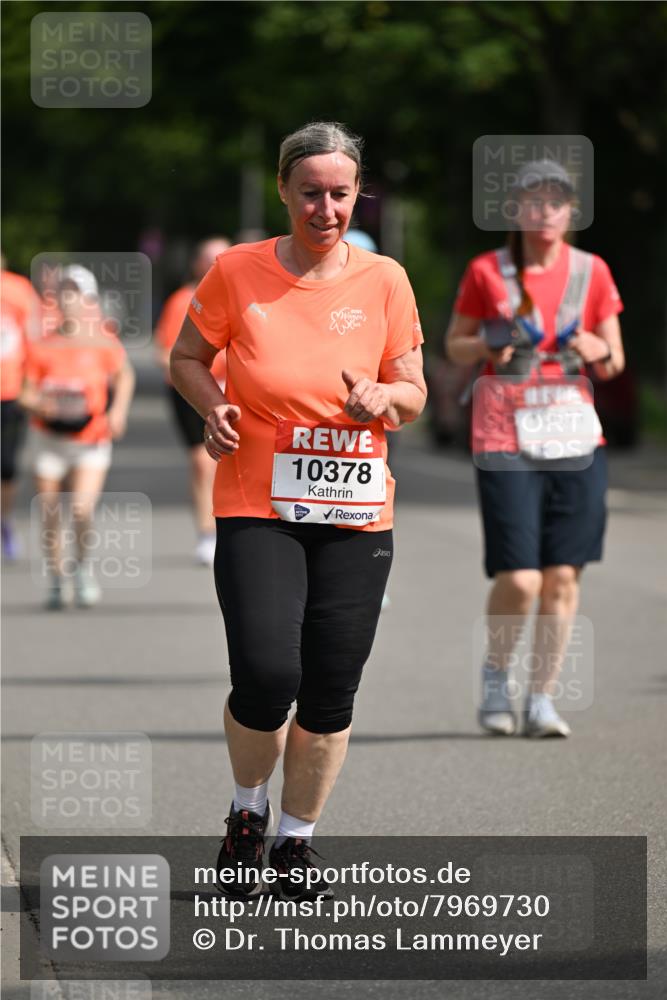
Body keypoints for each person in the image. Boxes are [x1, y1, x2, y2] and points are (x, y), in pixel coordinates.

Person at [170, 121, 426, 898]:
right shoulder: (235, 272)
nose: (325, 208)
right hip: (258, 499)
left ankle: (295, 840)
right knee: (265, 670)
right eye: (309, 192)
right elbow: (185, 357)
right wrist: (213, 405)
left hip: (353, 511)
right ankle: (247, 814)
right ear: (283, 190)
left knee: (330, 684)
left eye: (340, 194)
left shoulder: (385, 279)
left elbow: (411, 392)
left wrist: (386, 396)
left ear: (358, 195)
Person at [446, 159, 625, 738]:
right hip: (504, 433)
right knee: (522, 578)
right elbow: (454, 344)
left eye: (557, 201)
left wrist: (599, 344)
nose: (545, 212)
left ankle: (542, 699)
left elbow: (615, 359)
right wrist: (486, 344)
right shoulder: (487, 271)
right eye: (534, 201)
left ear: (571, 212)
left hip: (574, 433)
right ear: (516, 211)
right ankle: (497, 677)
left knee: (563, 577)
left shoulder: (592, 271)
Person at [20, 266, 135, 608]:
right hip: (49, 440)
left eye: (76, 295)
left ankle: (82, 568)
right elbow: (25, 392)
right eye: (64, 295)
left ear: (88, 300)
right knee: (51, 511)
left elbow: (124, 376)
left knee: (82, 510)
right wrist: (41, 404)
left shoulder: (102, 341)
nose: (69, 302)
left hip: (90, 438)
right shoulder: (43, 343)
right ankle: (57, 578)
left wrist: (118, 412)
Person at [154, 238, 231, 565]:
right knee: (202, 463)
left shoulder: (242, 295)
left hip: (235, 391)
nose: (215, 264)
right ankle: (207, 533)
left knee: (232, 463)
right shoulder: (182, 301)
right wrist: (192, 381)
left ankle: (235, 528)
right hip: (192, 392)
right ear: (198, 264)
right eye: (209, 259)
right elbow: (168, 353)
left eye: (221, 258)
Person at [1, 262, 42, 560]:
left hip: (9, 391)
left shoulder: (18, 290)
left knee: (6, 465)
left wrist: (31, 382)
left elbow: (34, 339)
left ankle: (4, 521)